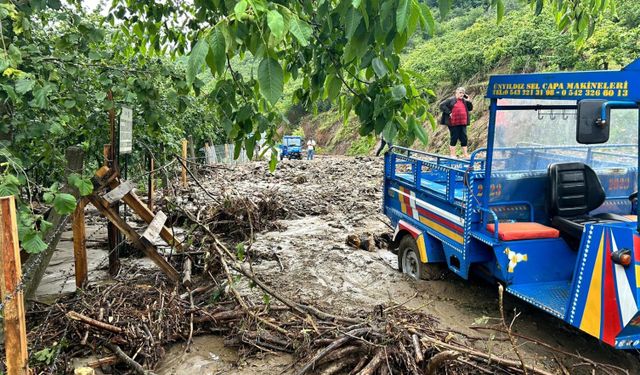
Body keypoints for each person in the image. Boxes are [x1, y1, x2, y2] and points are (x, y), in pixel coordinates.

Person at [439, 87, 473, 159]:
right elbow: (441, 105)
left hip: (463, 122)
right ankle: (453, 155)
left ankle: (465, 154)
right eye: (460, 93)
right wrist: (449, 112)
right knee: (454, 137)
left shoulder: (464, 101)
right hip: (453, 122)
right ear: (456, 93)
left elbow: (470, 108)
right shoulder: (451, 100)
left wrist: (469, 101)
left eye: (463, 93)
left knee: (464, 138)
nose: (461, 94)